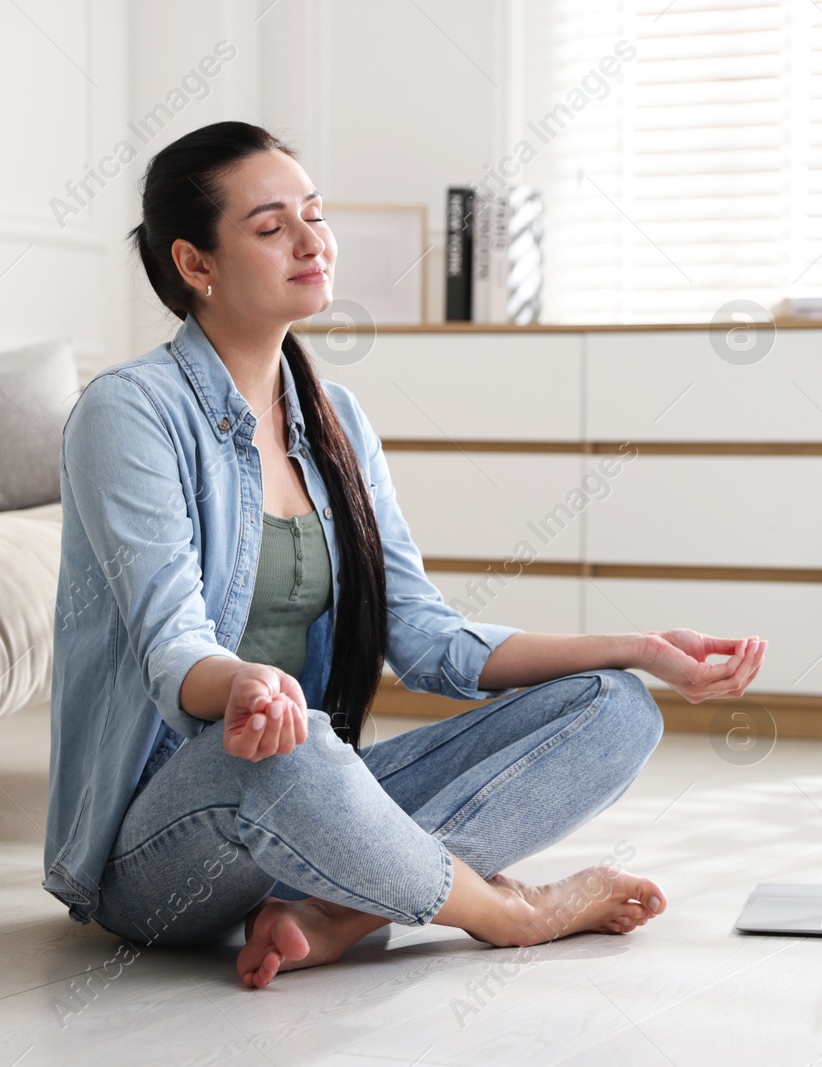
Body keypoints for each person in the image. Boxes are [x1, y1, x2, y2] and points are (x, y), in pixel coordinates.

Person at [42, 120, 768, 989]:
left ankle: (337, 910)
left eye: (314, 214)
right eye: (272, 228)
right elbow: (173, 643)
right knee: (299, 746)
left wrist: (637, 649)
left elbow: (427, 637)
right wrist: (243, 686)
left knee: (618, 708)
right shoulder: (129, 413)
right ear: (195, 264)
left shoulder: (335, 418)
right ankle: (506, 912)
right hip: (163, 844)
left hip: (314, 805)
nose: (313, 242)